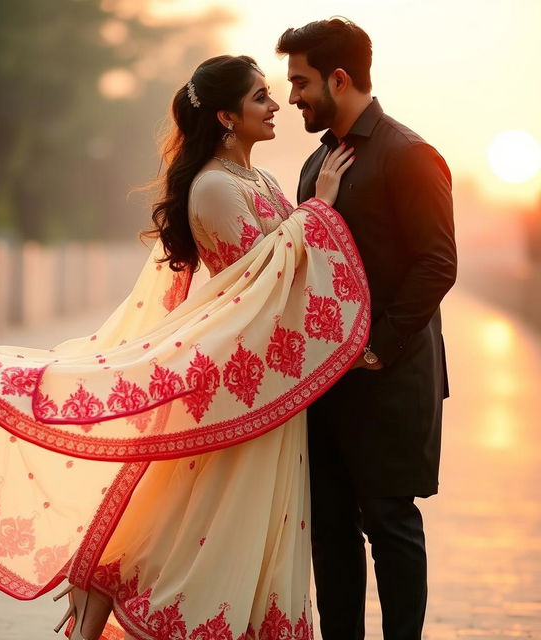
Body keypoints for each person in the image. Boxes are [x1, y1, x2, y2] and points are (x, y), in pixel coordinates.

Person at [0, 56, 370, 640]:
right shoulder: (215, 188)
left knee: (208, 512)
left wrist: (309, 214)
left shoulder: (263, 181)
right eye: (259, 98)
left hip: (263, 379)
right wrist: (320, 209)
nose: (275, 106)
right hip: (232, 380)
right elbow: (263, 278)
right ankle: (122, 599)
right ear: (226, 117)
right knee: (193, 514)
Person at [276, 18, 457, 640]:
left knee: (388, 519)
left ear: (340, 78)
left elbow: (438, 262)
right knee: (329, 525)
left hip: (391, 375)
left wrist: (376, 348)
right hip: (324, 383)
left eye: (300, 81)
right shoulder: (313, 165)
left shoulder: (411, 154)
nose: (292, 95)